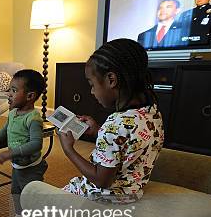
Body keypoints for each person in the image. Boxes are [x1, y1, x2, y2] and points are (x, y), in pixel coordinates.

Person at [58, 38, 164, 203]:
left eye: (92, 84)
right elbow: (128, 141)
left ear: (111, 80)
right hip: (131, 193)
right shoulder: (151, 112)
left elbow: (101, 180)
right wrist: (99, 131)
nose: (92, 92)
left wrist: (68, 150)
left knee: (41, 200)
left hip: (103, 198)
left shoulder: (115, 124)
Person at [0, 69, 47, 217]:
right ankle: (20, 216)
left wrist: (11, 153)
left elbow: (36, 144)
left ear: (30, 96)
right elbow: (6, 129)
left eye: (13, 91)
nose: (9, 94)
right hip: (18, 165)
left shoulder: (33, 118)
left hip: (31, 167)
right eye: (9, 90)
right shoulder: (13, 113)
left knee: (32, 196)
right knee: (16, 192)